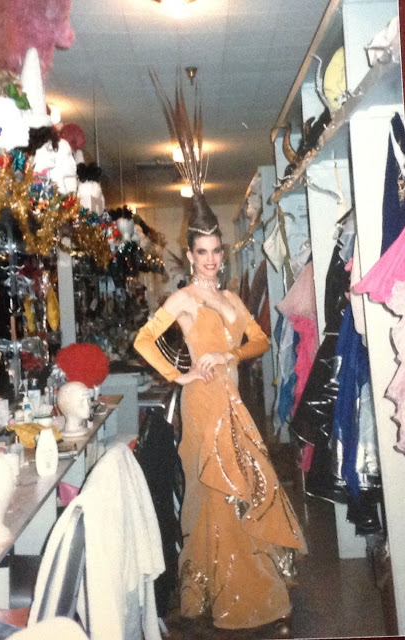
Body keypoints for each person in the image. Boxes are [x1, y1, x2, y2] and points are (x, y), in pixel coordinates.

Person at [134, 193, 307, 633]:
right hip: (203, 406)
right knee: (219, 493)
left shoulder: (231, 297)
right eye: (202, 252)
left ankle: (241, 587)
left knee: (244, 488)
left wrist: (230, 354)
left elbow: (260, 340)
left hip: (232, 403)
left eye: (215, 251)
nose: (210, 260)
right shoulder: (184, 299)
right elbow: (143, 341)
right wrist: (182, 375)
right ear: (190, 255)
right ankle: (228, 593)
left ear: (221, 252)